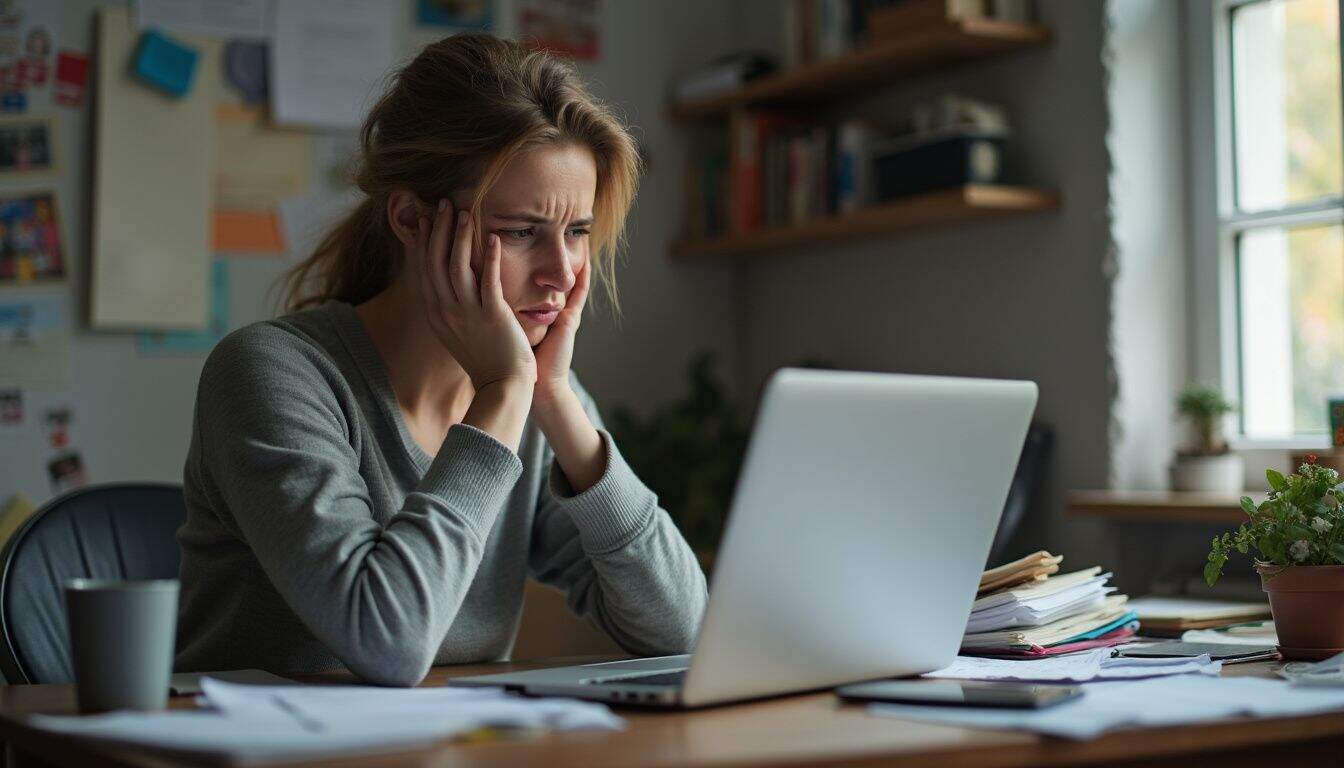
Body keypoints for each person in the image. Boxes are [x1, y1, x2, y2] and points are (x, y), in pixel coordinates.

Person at [174, 33, 708, 686]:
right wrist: (505, 393)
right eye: (520, 232)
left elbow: (684, 629)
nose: (564, 273)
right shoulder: (270, 374)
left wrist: (558, 402)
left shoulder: (533, 400)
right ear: (410, 219)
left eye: (577, 233)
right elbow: (385, 640)